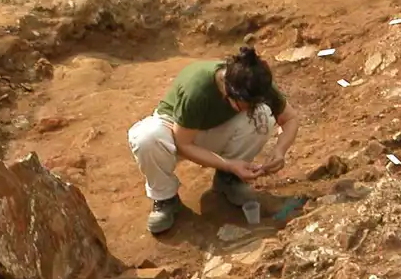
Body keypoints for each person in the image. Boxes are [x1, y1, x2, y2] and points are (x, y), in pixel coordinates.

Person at [127, 46, 302, 235]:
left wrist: (280, 151)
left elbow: (290, 118)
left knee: (263, 116)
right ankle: (165, 198)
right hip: (175, 131)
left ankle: (229, 181)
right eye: (245, 105)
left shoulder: (255, 82)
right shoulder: (198, 89)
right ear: (229, 92)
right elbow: (183, 143)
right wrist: (229, 164)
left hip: (213, 130)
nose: (249, 108)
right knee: (147, 138)